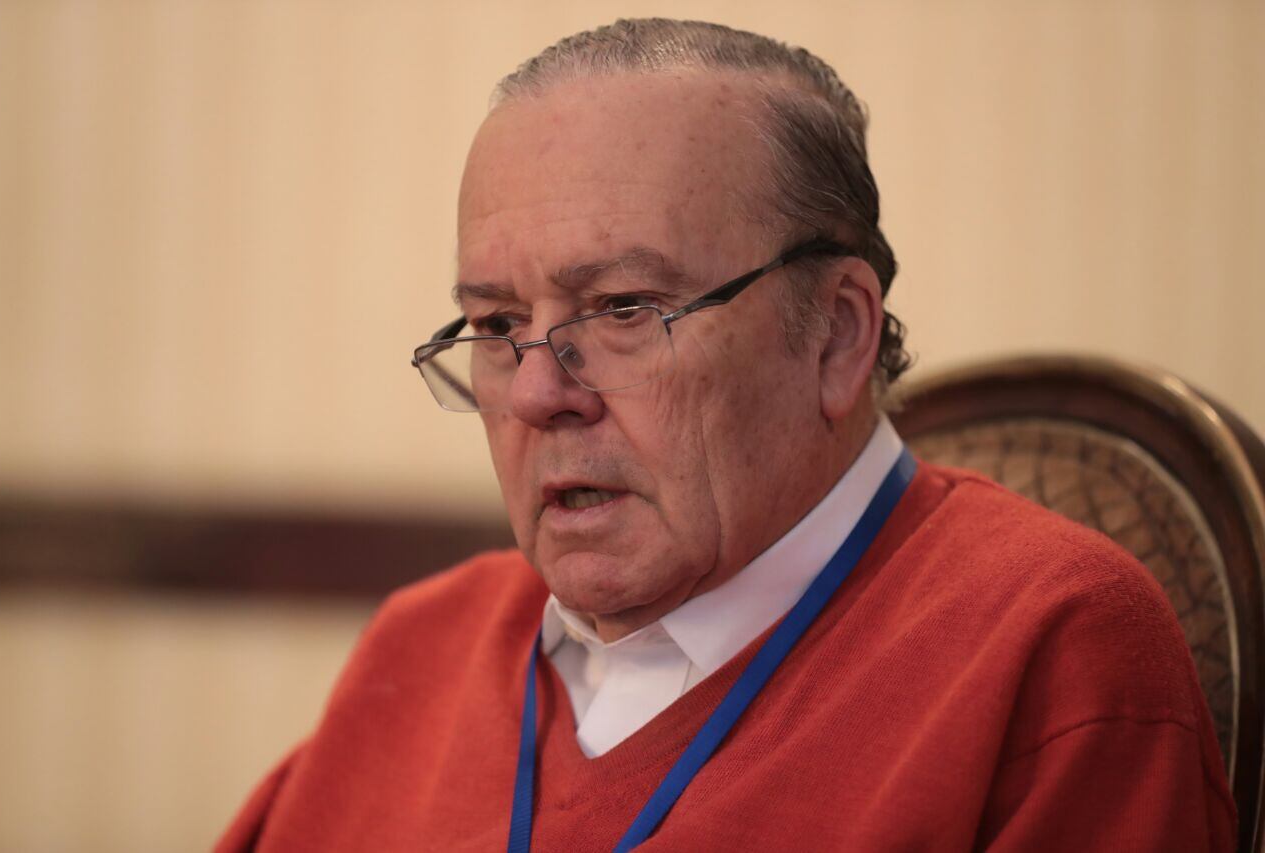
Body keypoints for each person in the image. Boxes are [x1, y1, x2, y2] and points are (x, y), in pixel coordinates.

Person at [217, 19, 1235, 852]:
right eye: (494, 324)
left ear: (835, 335)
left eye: (622, 308)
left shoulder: (1052, 650)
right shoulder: (421, 647)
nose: (534, 393)